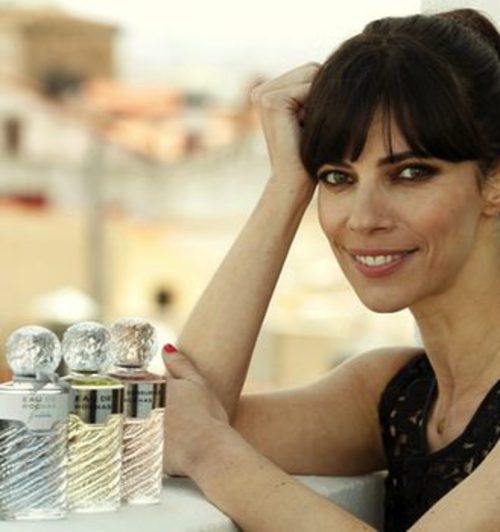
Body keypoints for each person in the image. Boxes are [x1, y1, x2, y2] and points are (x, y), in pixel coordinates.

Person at [162, 8, 500, 531]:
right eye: (338, 177)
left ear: (494, 181)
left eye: (411, 173)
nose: (363, 218)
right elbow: (180, 414)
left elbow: (199, 434)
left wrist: (210, 453)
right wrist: (285, 187)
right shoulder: (396, 394)